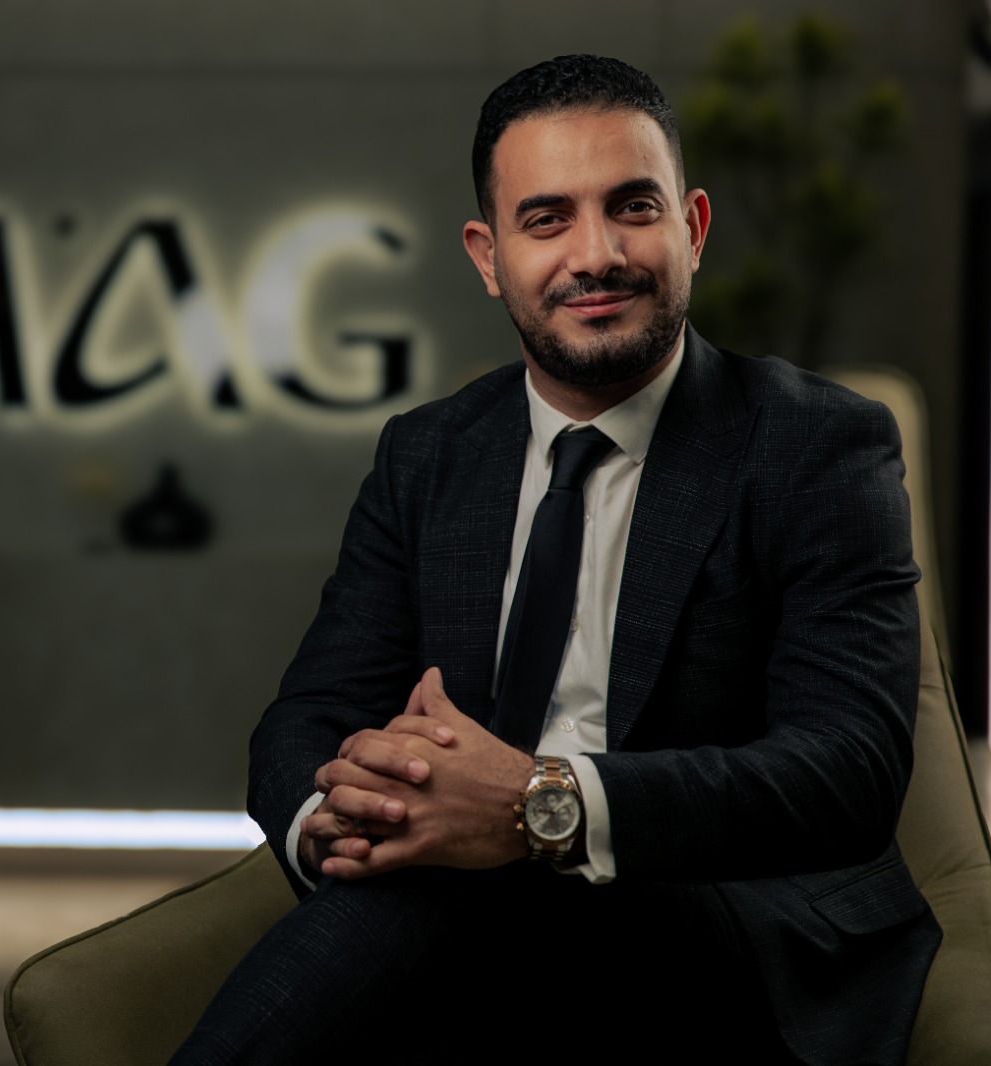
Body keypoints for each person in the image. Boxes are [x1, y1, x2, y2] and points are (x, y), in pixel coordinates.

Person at [171, 55, 940, 1065]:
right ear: (488, 257)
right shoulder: (428, 454)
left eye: (632, 207)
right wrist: (337, 820)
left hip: (733, 919)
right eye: (546, 220)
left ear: (692, 228)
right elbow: (310, 713)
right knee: (441, 885)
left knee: (457, 889)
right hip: (467, 910)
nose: (596, 254)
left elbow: (847, 769)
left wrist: (539, 806)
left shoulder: (818, 444)